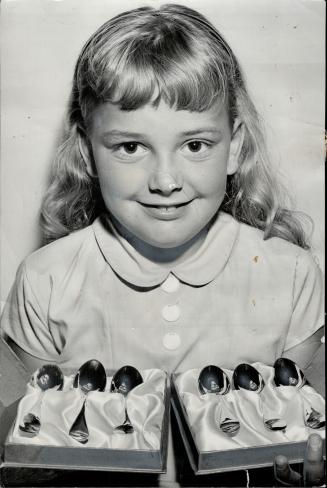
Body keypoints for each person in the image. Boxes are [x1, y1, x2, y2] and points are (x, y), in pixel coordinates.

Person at [0, 4, 324, 486]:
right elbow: (22, 431)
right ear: (89, 151)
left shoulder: (291, 274)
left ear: (234, 146)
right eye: (130, 147)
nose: (166, 181)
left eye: (195, 145)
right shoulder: (46, 278)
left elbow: (300, 425)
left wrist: (302, 475)